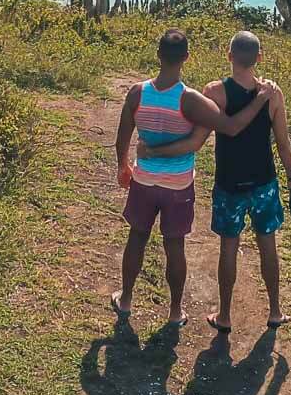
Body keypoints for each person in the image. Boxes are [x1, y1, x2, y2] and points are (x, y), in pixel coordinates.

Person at [113, 28, 277, 327]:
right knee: (174, 245)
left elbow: (123, 133)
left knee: (136, 238)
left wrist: (123, 165)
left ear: (158, 55)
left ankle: (125, 299)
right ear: (186, 58)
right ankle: (175, 311)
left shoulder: (137, 92)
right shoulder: (190, 100)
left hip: (144, 180)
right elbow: (231, 127)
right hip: (177, 184)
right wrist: (259, 99)